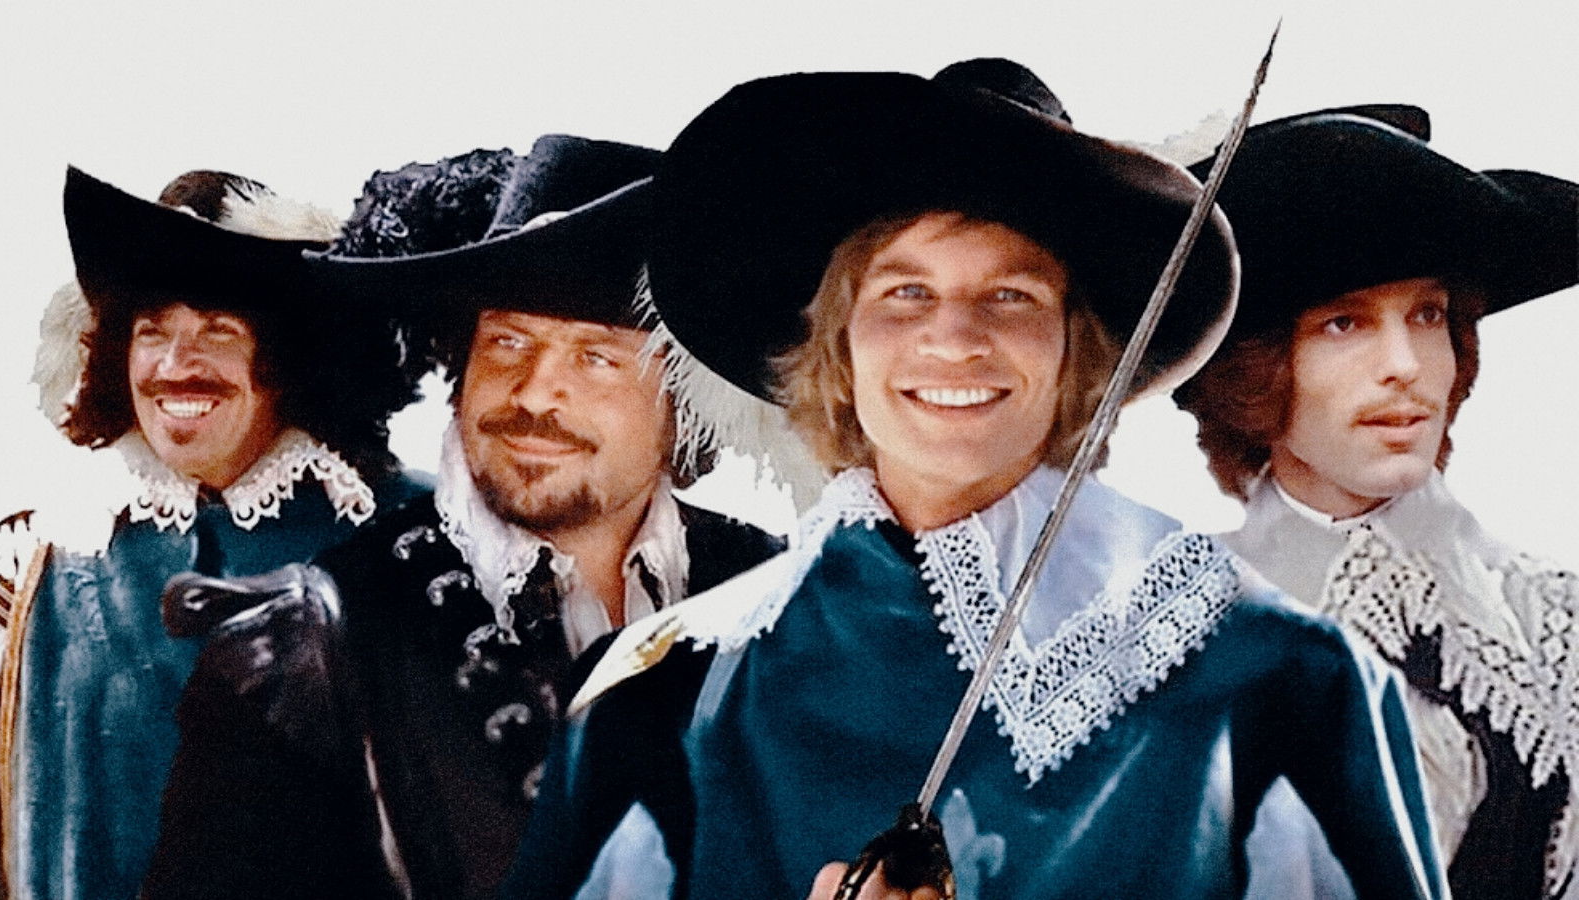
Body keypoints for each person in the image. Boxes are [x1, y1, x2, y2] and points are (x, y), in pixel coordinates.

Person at [507, 59, 1446, 900]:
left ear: (1077, 349)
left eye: (1011, 295)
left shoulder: (1287, 678)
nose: (954, 337)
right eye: (904, 291)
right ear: (838, 344)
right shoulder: (663, 688)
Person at [140, 136, 786, 900]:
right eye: (507, 341)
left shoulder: (785, 600)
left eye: (596, 357)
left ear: (686, 399)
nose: (535, 392)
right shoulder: (303, 654)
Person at [0, 167, 428, 900]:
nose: (175, 366)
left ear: (290, 358)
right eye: (152, 331)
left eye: (218, 330)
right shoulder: (39, 563)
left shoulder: (419, 535)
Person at [1173, 105, 1579, 900]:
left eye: (1428, 315)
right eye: (1344, 323)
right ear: (1254, 368)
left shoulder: (1550, 625)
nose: (1405, 365)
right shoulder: (1164, 629)